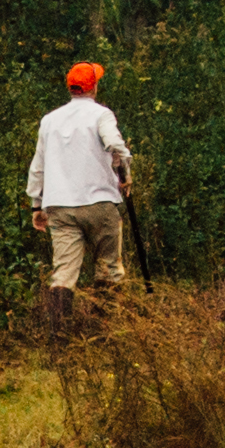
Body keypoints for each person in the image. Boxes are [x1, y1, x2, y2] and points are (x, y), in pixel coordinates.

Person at [28, 59, 139, 308]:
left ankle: (59, 330)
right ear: (94, 86)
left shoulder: (49, 120)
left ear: (70, 87)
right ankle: (106, 324)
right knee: (109, 268)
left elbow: (38, 165)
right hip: (99, 202)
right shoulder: (101, 114)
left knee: (63, 274)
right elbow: (115, 145)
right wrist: (125, 174)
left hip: (60, 207)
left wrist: (36, 205)